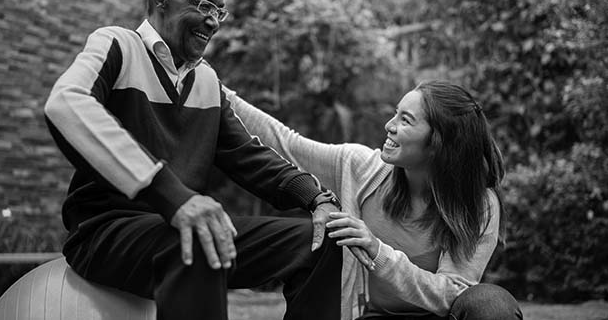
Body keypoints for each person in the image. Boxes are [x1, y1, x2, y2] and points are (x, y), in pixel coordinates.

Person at [43, 0, 346, 319]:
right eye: (204, 5)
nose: (214, 21)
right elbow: (66, 103)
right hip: (106, 233)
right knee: (201, 234)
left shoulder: (206, 80)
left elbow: (248, 155)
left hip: (182, 230)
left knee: (322, 241)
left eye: (220, 11)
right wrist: (174, 197)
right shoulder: (117, 44)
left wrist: (316, 197)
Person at [224, 80, 524, 320]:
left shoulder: (479, 204)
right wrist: (217, 91)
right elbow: (286, 144)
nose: (389, 126)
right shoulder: (362, 168)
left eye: (405, 120)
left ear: (438, 143)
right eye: (395, 113)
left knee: (490, 304)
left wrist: (379, 253)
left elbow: (452, 293)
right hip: (369, 317)